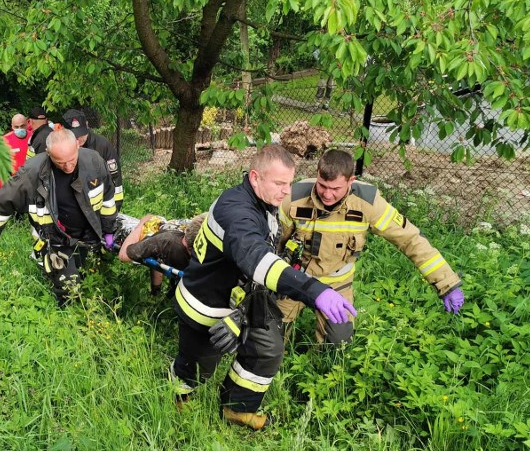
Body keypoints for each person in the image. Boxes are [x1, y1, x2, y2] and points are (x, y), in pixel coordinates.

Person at [170, 145, 356, 430]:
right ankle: (179, 403)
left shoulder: (263, 202)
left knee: (267, 349)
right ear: (255, 177)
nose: (286, 191)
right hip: (205, 305)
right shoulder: (238, 211)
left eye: (290, 183)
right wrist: (315, 291)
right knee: (196, 367)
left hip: (244, 301)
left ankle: (237, 408)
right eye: (279, 183)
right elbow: (257, 260)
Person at [277, 149, 464, 345]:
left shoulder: (368, 202)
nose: (327, 194)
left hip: (336, 283)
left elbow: (410, 239)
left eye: (336, 188)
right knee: (266, 337)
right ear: (317, 174)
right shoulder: (294, 197)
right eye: (322, 185)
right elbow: (273, 240)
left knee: (337, 345)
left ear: (351, 181)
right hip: (296, 278)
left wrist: (447, 284)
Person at [0, 127, 118, 306]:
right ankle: (65, 312)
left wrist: (108, 230)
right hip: (54, 238)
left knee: (91, 274)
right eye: (60, 162)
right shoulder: (32, 172)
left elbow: (107, 198)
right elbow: (2, 202)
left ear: (77, 145)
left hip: (89, 232)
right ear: (48, 153)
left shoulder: (94, 161)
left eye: (71, 160)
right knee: (69, 286)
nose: (68, 167)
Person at [118, 213, 206, 295]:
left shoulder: (167, 240)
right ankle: (156, 292)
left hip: (144, 232)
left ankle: (156, 292)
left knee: (117, 223)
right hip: (160, 234)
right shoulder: (206, 255)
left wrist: (141, 224)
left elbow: (123, 255)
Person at [54, 109, 124, 210]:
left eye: (81, 133)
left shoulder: (102, 145)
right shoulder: (60, 148)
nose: (78, 138)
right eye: (74, 135)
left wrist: (114, 209)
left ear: (87, 125)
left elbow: (115, 181)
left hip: (100, 206)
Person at [0, 113, 32, 195]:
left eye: (22, 126)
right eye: (16, 127)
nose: (20, 129)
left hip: (31, 181)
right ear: (12, 126)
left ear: (27, 124)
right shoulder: (5, 140)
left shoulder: (33, 137)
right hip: (12, 183)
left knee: (31, 207)